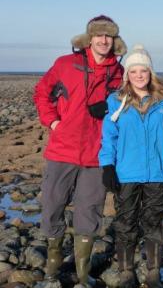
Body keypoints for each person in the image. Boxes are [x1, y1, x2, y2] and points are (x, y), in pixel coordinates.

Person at [33, 15, 126, 286]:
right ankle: (52, 265)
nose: (103, 40)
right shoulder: (66, 64)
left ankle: (82, 273)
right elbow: (41, 93)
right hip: (62, 149)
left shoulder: (119, 72)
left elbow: (126, 104)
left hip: (96, 154)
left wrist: (110, 107)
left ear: (114, 39)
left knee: (90, 210)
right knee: (52, 205)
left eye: (108, 35)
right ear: (89, 38)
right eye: (98, 35)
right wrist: (53, 121)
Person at [99, 44, 163, 287]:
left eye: (143, 71)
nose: (138, 76)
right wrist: (107, 166)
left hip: (157, 172)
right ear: (127, 74)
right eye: (133, 71)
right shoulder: (116, 102)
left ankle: (154, 270)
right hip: (126, 174)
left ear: (150, 73)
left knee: (154, 220)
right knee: (126, 222)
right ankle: (126, 271)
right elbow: (109, 136)